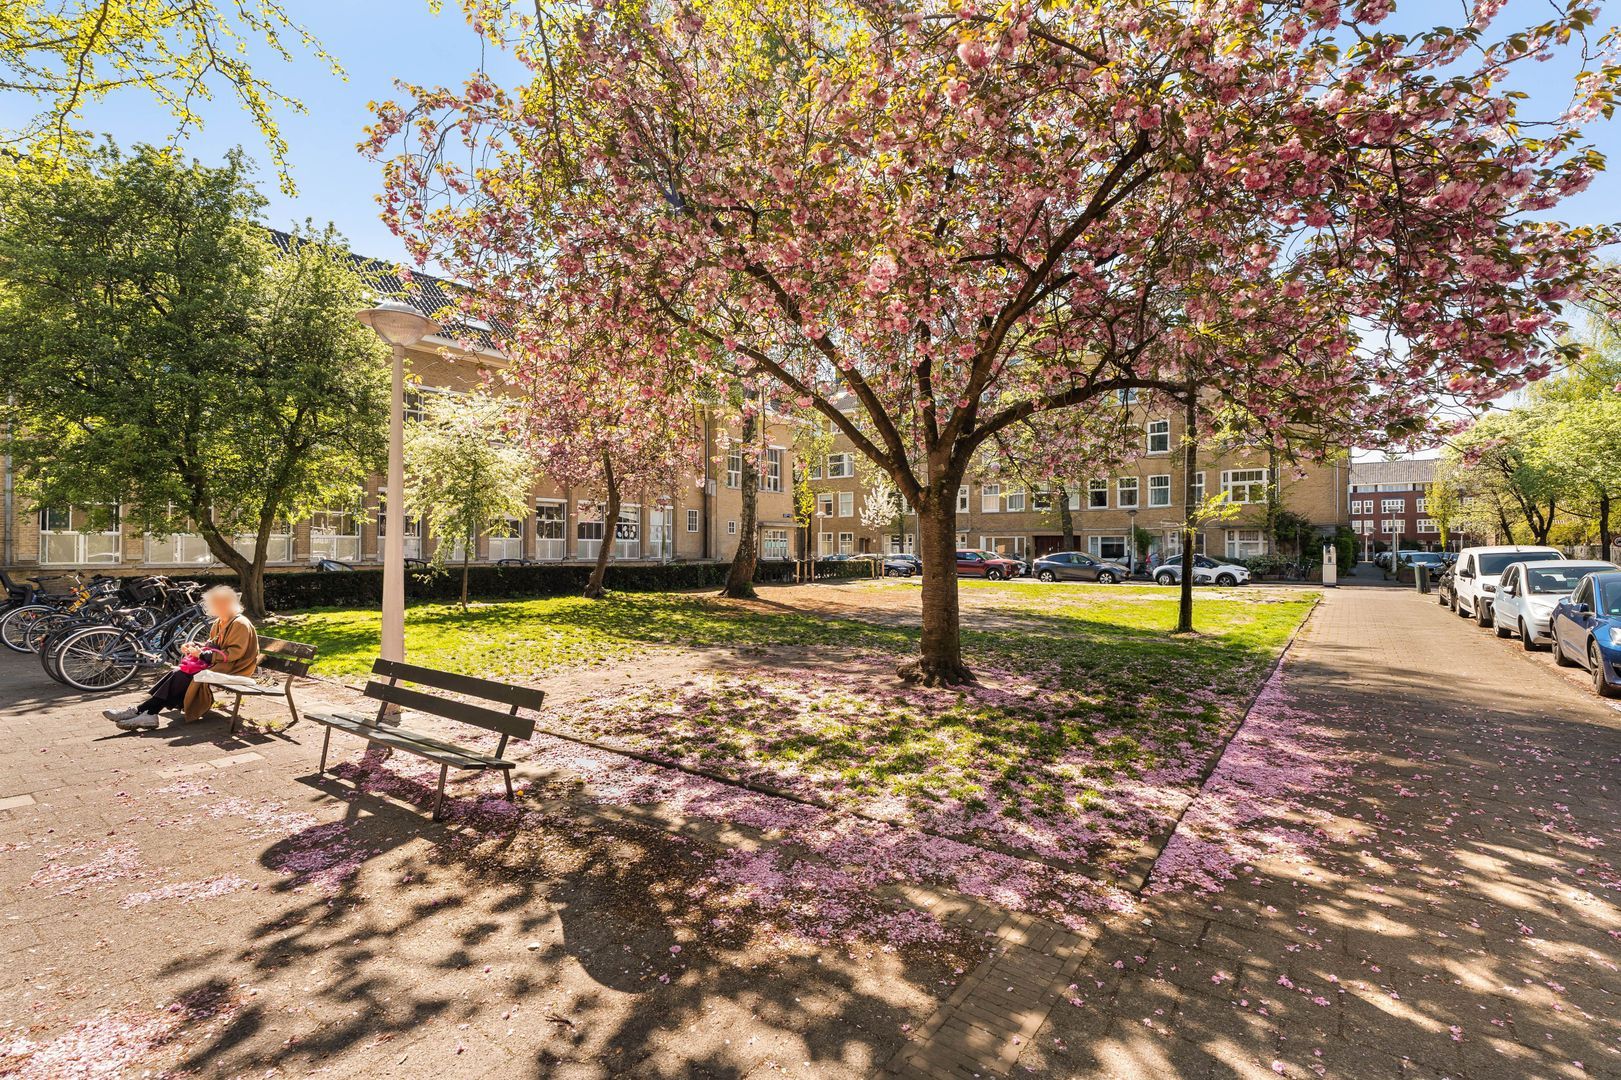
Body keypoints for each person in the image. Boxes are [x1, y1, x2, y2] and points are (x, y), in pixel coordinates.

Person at [103, 585, 258, 731]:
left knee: (182, 674)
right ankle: (146, 712)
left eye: (213, 604)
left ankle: (143, 712)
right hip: (220, 664)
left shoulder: (240, 624)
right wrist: (194, 646)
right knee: (178, 672)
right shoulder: (220, 621)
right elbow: (212, 645)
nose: (210, 608)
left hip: (235, 667)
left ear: (225, 605)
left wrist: (201, 654)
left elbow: (234, 654)